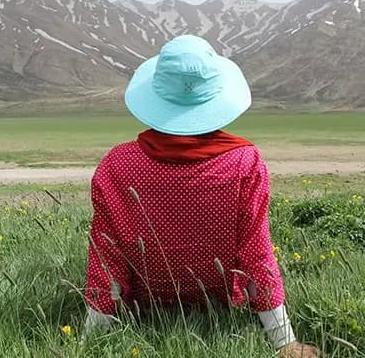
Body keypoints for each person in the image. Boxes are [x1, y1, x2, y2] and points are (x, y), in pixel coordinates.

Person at [83, 35, 319, 358]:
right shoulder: (245, 164)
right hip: (219, 303)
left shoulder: (116, 166)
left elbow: (106, 265)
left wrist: (86, 344)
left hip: (145, 308)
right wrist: (285, 343)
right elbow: (257, 256)